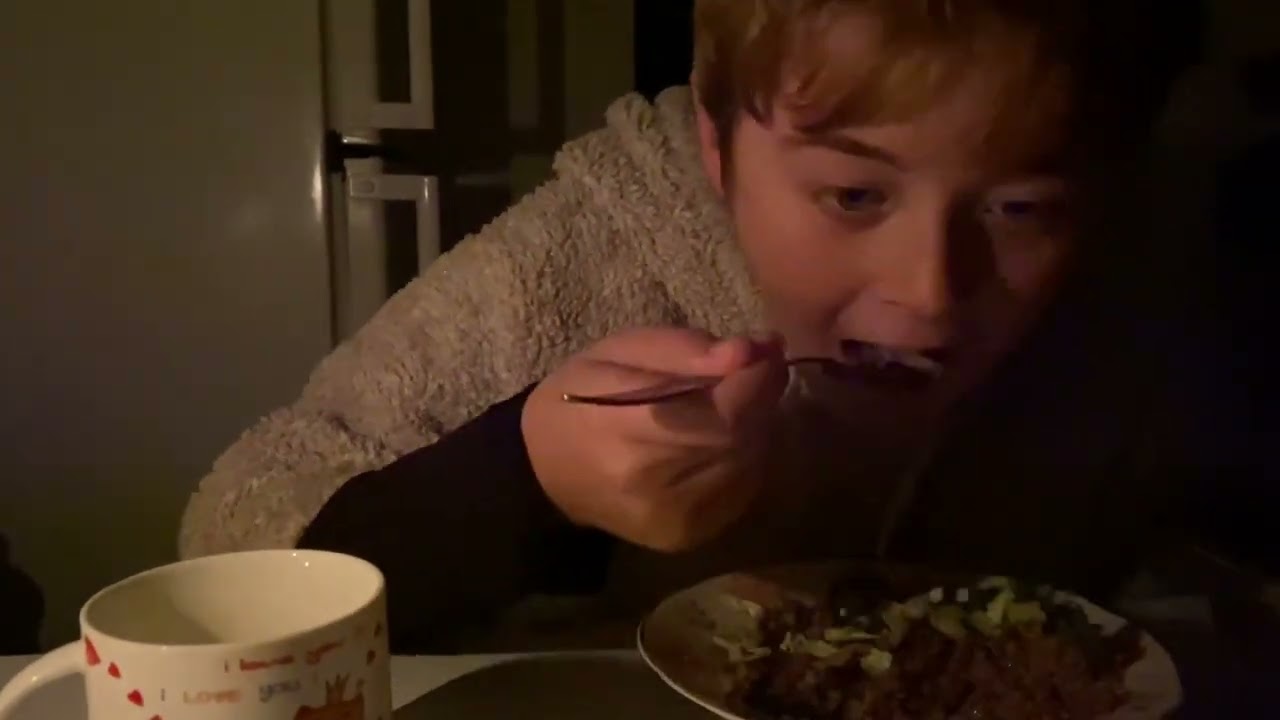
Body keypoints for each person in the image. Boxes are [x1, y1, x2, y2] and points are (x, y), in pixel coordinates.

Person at [179, 0, 1204, 652]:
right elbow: (231, 551)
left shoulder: (1140, 280)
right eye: (853, 195)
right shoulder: (602, 244)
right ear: (718, 149)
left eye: (1019, 210)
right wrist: (529, 481)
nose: (931, 292)